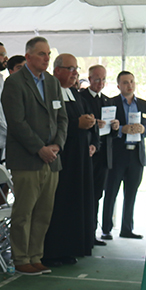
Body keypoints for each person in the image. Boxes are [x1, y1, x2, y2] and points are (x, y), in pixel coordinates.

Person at [1, 36, 68, 275]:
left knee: (43, 211)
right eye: (41, 54)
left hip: (52, 159)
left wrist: (57, 145)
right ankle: (20, 258)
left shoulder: (52, 82)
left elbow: (62, 118)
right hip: (27, 159)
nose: (46, 58)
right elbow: (17, 123)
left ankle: (35, 255)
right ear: (28, 56)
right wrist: (40, 148)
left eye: (48, 54)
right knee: (24, 212)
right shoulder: (15, 83)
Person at [42, 54, 96, 267]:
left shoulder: (75, 93)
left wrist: (90, 127)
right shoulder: (50, 91)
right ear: (57, 71)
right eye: (70, 68)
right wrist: (77, 124)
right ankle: (55, 251)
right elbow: (53, 123)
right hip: (62, 156)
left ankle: (74, 246)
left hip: (80, 157)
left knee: (76, 200)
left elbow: (82, 117)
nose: (75, 73)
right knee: (60, 202)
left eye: (76, 69)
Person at [101, 71, 146, 240]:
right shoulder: (111, 103)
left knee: (131, 193)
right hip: (118, 154)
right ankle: (106, 229)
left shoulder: (145, 105)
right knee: (111, 192)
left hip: (136, 156)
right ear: (118, 86)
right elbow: (105, 128)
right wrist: (121, 130)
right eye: (125, 82)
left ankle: (127, 228)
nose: (129, 85)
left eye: (132, 81)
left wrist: (144, 130)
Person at [80, 64, 120, 245]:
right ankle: (82, 233)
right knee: (84, 194)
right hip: (87, 154)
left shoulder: (108, 101)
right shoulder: (81, 98)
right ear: (89, 79)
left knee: (97, 195)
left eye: (103, 79)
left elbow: (111, 134)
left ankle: (92, 233)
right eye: (97, 79)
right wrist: (94, 123)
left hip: (104, 157)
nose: (100, 83)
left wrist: (115, 127)